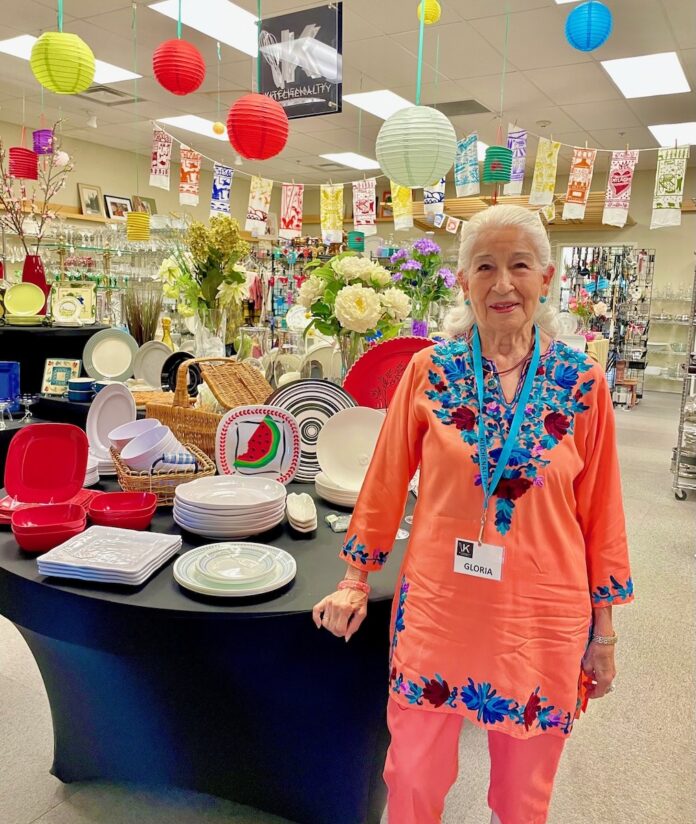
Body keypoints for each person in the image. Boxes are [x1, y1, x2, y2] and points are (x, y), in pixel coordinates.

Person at [312, 204, 633, 824]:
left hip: (541, 621)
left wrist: (605, 631)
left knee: (521, 800)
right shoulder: (429, 372)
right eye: (485, 266)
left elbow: (603, 514)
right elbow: (383, 482)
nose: (503, 283)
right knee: (411, 782)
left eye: (519, 265)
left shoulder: (584, 382)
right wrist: (355, 579)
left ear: (545, 278)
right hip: (439, 610)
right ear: (463, 281)